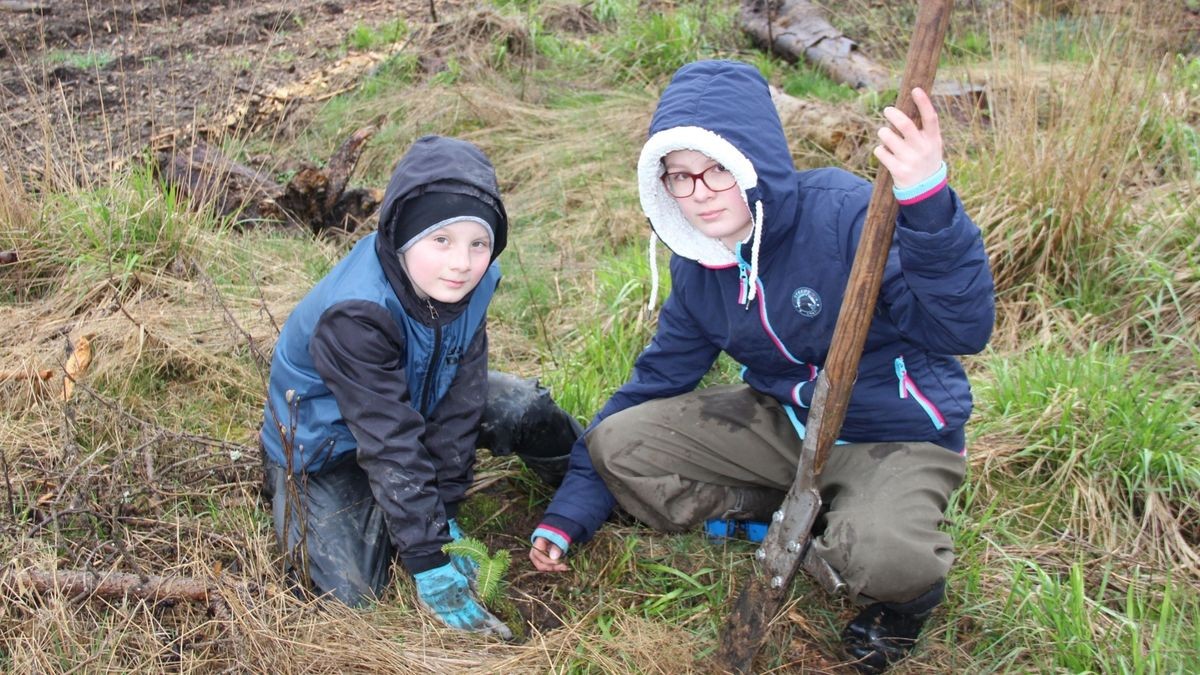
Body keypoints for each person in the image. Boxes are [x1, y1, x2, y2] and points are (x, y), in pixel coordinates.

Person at [528, 60, 995, 673]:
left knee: (886, 559)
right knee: (618, 445)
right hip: (787, 424)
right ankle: (793, 508)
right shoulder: (700, 265)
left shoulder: (849, 215)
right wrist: (571, 509)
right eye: (679, 177)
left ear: (755, 160)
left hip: (896, 436)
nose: (700, 193)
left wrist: (927, 204)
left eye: (718, 168)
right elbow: (654, 384)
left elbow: (963, 329)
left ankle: (898, 598)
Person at [260, 135, 580, 639]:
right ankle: (301, 495)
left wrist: (445, 509)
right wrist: (429, 558)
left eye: (479, 243)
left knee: (524, 408)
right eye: (441, 241)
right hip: (328, 441)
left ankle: (594, 490)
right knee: (351, 593)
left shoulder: (475, 281)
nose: (461, 264)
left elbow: (461, 397)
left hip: (417, 401)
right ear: (403, 236)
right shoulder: (357, 314)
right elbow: (388, 441)